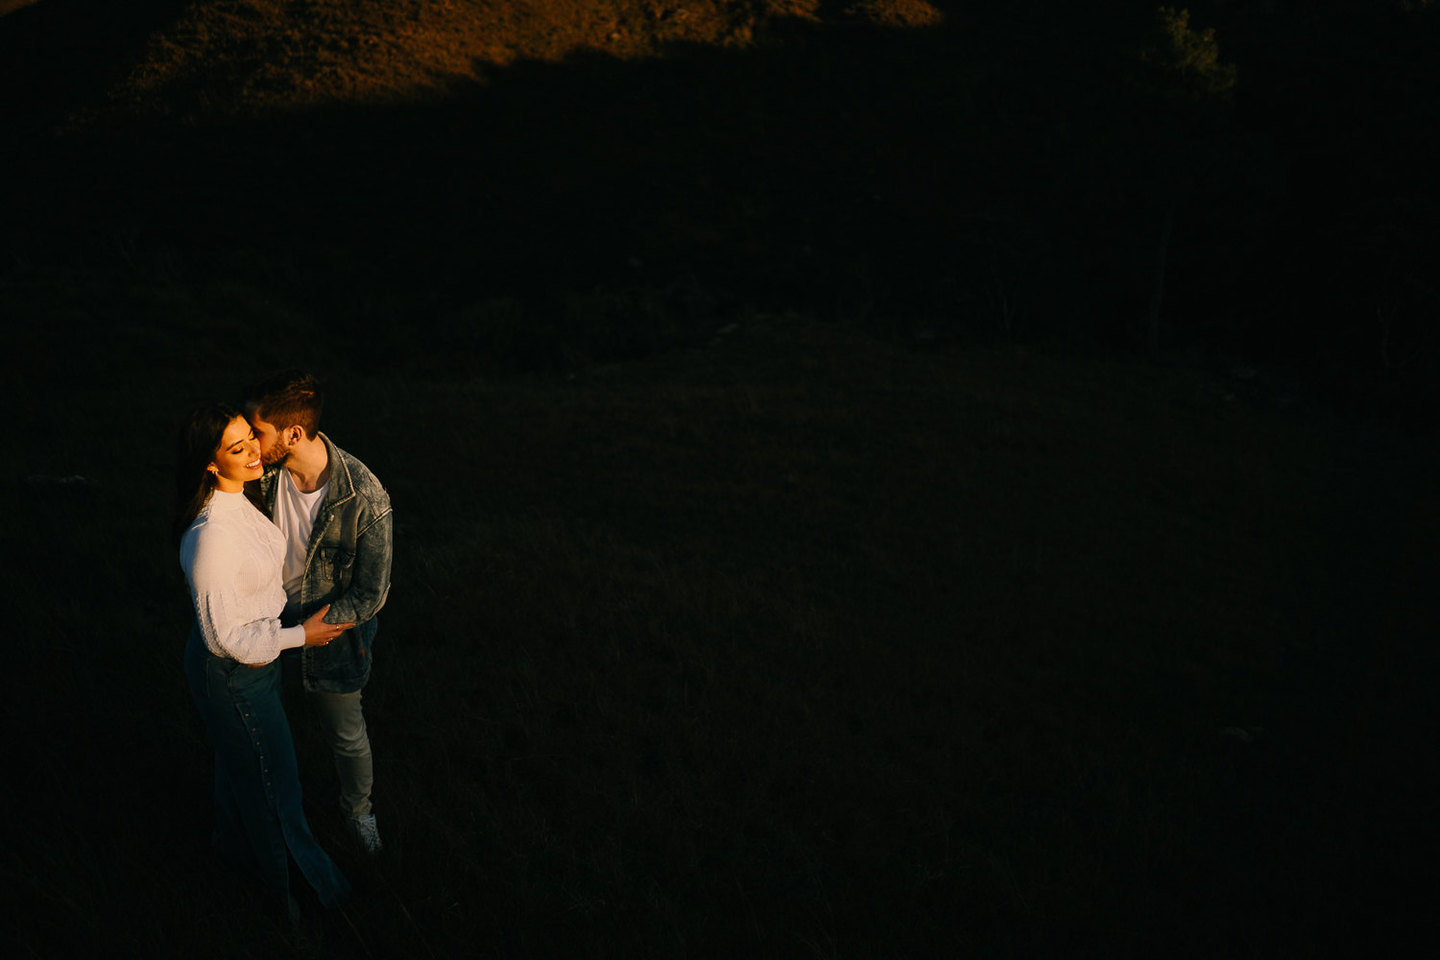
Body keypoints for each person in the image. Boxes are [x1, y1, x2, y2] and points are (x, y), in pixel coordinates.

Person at [176, 402, 354, 921]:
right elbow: (226, 639)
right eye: (237, 448)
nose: (255, 450)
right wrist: (304, 635)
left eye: (250, 437)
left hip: (260, 653)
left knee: (243, 767)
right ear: (210, 464)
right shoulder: (210, 538)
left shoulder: (241, 494)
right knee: (276, 785)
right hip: (234, 672)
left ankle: (232, 852)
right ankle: (303, 897)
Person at [246, 371, 393, 856]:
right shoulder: (260, 476)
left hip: (329, 634)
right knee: (263, 725)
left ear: (292, 434)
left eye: (258, 430)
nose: (251, 440)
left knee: (346, 736)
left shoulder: (365, 497)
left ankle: (358, 814)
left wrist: (313, 632)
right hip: (263, 621)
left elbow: (370, 594)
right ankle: (268, 807)